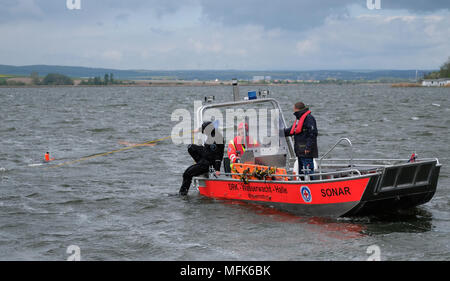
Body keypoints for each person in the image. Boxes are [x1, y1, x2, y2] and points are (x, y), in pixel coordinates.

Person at [179, 121, 224, 196]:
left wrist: (217, 169)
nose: (204, 133)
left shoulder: (216, 138)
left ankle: (182, 194)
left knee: (187, 174)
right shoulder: (213, 133)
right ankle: (199, 163)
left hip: (207, 163)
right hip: (205, 157)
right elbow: (207, 127)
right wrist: (197, 130)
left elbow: (218, 155)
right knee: (191, 147)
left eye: (204, 131)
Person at [284, 102, 318, 176]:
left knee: (308, 172)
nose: (293, 112)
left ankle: (310, 185)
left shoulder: (309, 118)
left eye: (294, 110)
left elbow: (313, 134)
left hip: (306, 151)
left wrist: (308, 147)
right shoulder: (300, 119)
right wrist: (280, 132)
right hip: (300, 151)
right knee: (301, 173)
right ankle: (302, 183)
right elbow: (293, 129)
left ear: (296, 109)